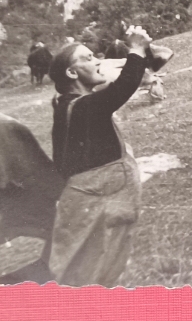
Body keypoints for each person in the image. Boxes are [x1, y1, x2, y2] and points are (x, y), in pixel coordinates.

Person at [45, 27, 150, 286]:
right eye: (89, 58)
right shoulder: (83, 107)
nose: (98, 61)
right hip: (96, 199)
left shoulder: (67, 103)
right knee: (89, 271)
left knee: (87, 264)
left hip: (89, 199)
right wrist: (136, 49)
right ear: (72, 72)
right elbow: (123, 88)